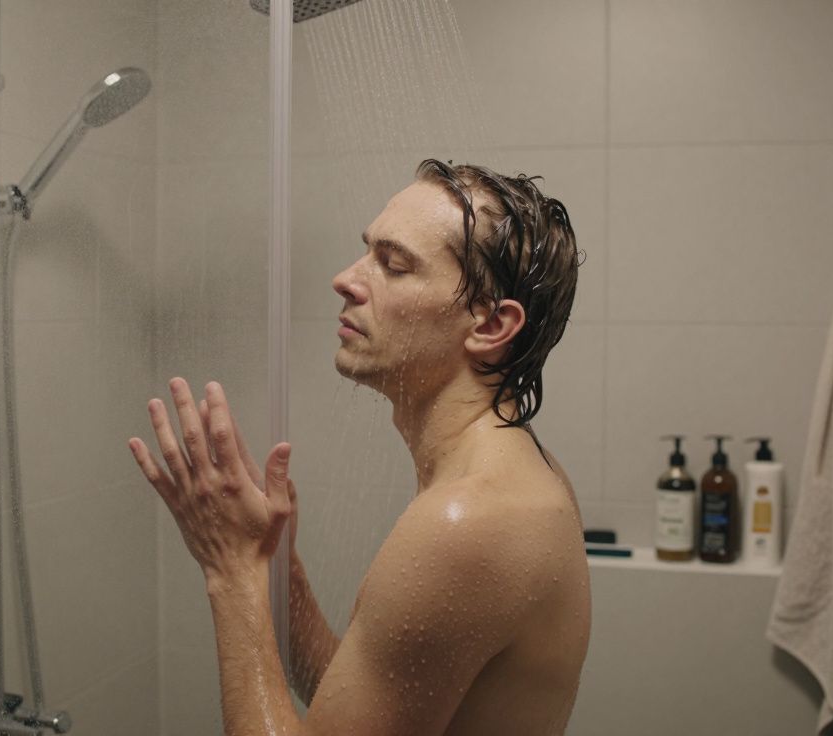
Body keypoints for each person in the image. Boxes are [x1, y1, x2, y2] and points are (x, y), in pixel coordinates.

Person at [128, 159, 590, 735]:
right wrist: (276, 565)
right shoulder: (519, 472)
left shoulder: (468, 521)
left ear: (491, 326)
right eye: (367, 251)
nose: (346, 278)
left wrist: (233, 572)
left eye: (393, 265)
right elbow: (368, 710)